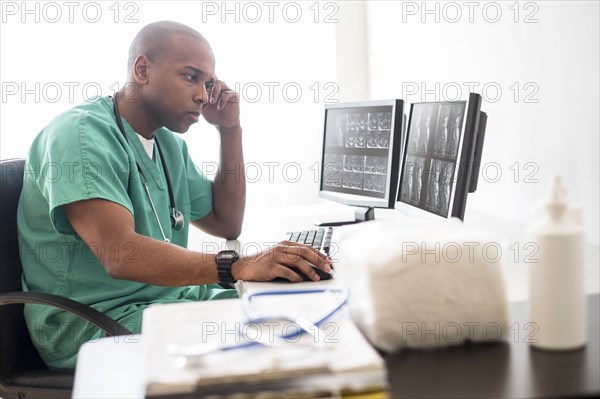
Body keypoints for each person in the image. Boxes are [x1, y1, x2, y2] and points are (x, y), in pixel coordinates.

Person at [17, 20, 332, 370]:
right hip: (93, 324)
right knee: (278, 346)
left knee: (302, 310)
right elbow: (120, 255)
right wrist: (238, 265)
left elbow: (227, 222)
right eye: (191, 77)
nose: (202, 94)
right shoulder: (78, 135)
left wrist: (230, 130)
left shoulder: (168, 146)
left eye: (209, 83)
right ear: (142, 70)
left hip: (163, 301)